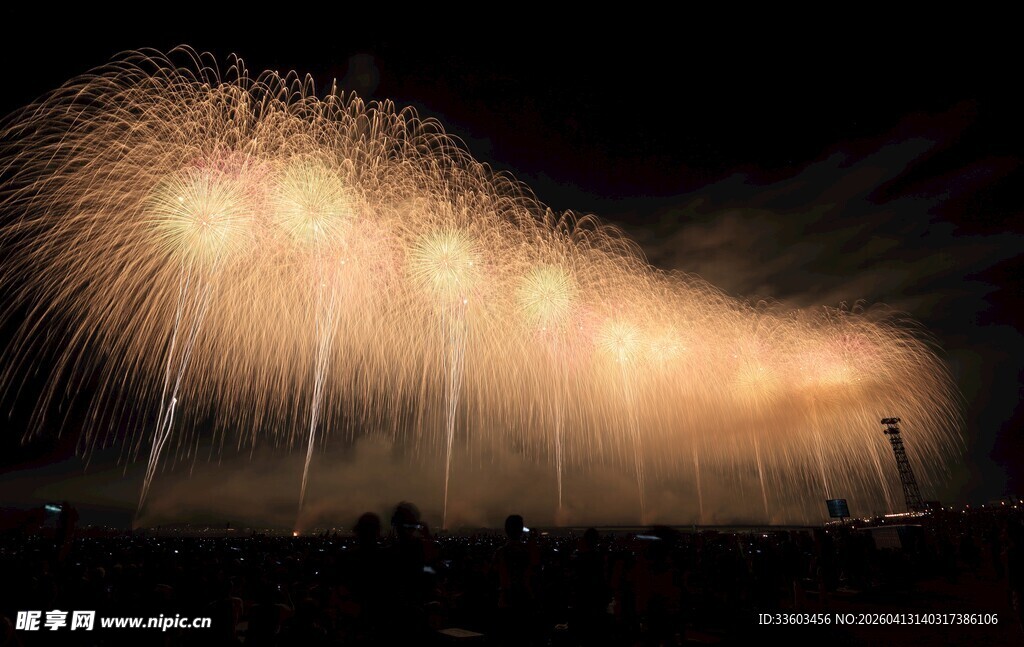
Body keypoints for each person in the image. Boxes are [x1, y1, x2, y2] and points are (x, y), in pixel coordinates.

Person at [494, 514, 539, 644]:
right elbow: (536, 567)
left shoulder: (500, 552)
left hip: (506, 600)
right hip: (525, 599)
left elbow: (494, 574)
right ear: (521, 530)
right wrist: (532, 541)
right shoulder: (528, 551)